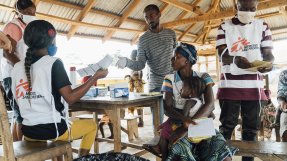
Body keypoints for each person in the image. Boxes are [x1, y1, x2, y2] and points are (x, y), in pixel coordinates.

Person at [11, 20, 108, 158]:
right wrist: (95, 77)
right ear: (51, 40)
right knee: (91, 125)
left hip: (29, 132)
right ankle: (80, 160)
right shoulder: (53, 63)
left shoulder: (17, 68)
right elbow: (71, 98)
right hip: (53, 131)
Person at [144, 43, 236, 161]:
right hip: (178, 123)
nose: (172, 60)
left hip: (201, 123)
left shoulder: (203, 76)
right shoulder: (169, 79)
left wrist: (186, 127)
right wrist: (184, 122)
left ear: (187, 61)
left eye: (177, 57)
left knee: (223, 153)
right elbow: (167, 107)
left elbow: (210, 104)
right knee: (179, 150)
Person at [216, 0, 274, 160]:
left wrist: (269, 63)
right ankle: (222, 157)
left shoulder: (262, 26)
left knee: (251, 130)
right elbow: (222, 54)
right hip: (230, 85)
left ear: (257, 8)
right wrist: (235, 60)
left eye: (252, 9)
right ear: (236, 6)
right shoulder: (224, 26)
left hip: (254, 87)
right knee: (226, 127)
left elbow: (268, 52)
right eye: (243, 8)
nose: (248, 12)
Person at [116, 4, 177, 124]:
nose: (149, 19)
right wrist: (126, 61)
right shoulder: (143, 40)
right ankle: (158, 140)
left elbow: (176, 57)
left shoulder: (171, 34)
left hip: (174, 82)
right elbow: (140, 64)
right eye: (146, 17)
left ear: (159, 14)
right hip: (156, 85)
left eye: (152, 15)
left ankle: (175, 141)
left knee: (176, 118)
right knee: (157, 121)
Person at [2, 0, 37, 141]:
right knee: (22, 115)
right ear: (18, 11)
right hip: (14, 75)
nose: (31, 15)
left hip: (23, 74)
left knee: (20, 114)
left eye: (33, 12)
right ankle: (22, 151)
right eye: (28, 12)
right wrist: (23, 69)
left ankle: (15, 151)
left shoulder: (27, 26)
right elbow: (7, 53)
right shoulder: (13, 26)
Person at [124, 50, 145, 127]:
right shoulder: (133, 65)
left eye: (133, 56)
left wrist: (132, 77)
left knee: (139, 104)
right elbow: (134, 75)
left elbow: (139, 75)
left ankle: (140, 121)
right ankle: (133, 120)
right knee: (132, 103)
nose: (131, 58)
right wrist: (129, 76)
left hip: (138, 86)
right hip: (133, 86)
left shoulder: (138, 65)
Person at [275, 70, 287, 142]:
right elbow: (281, 91)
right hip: (286, 108)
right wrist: (282, 101)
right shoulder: (284, 74)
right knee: (285, 128)